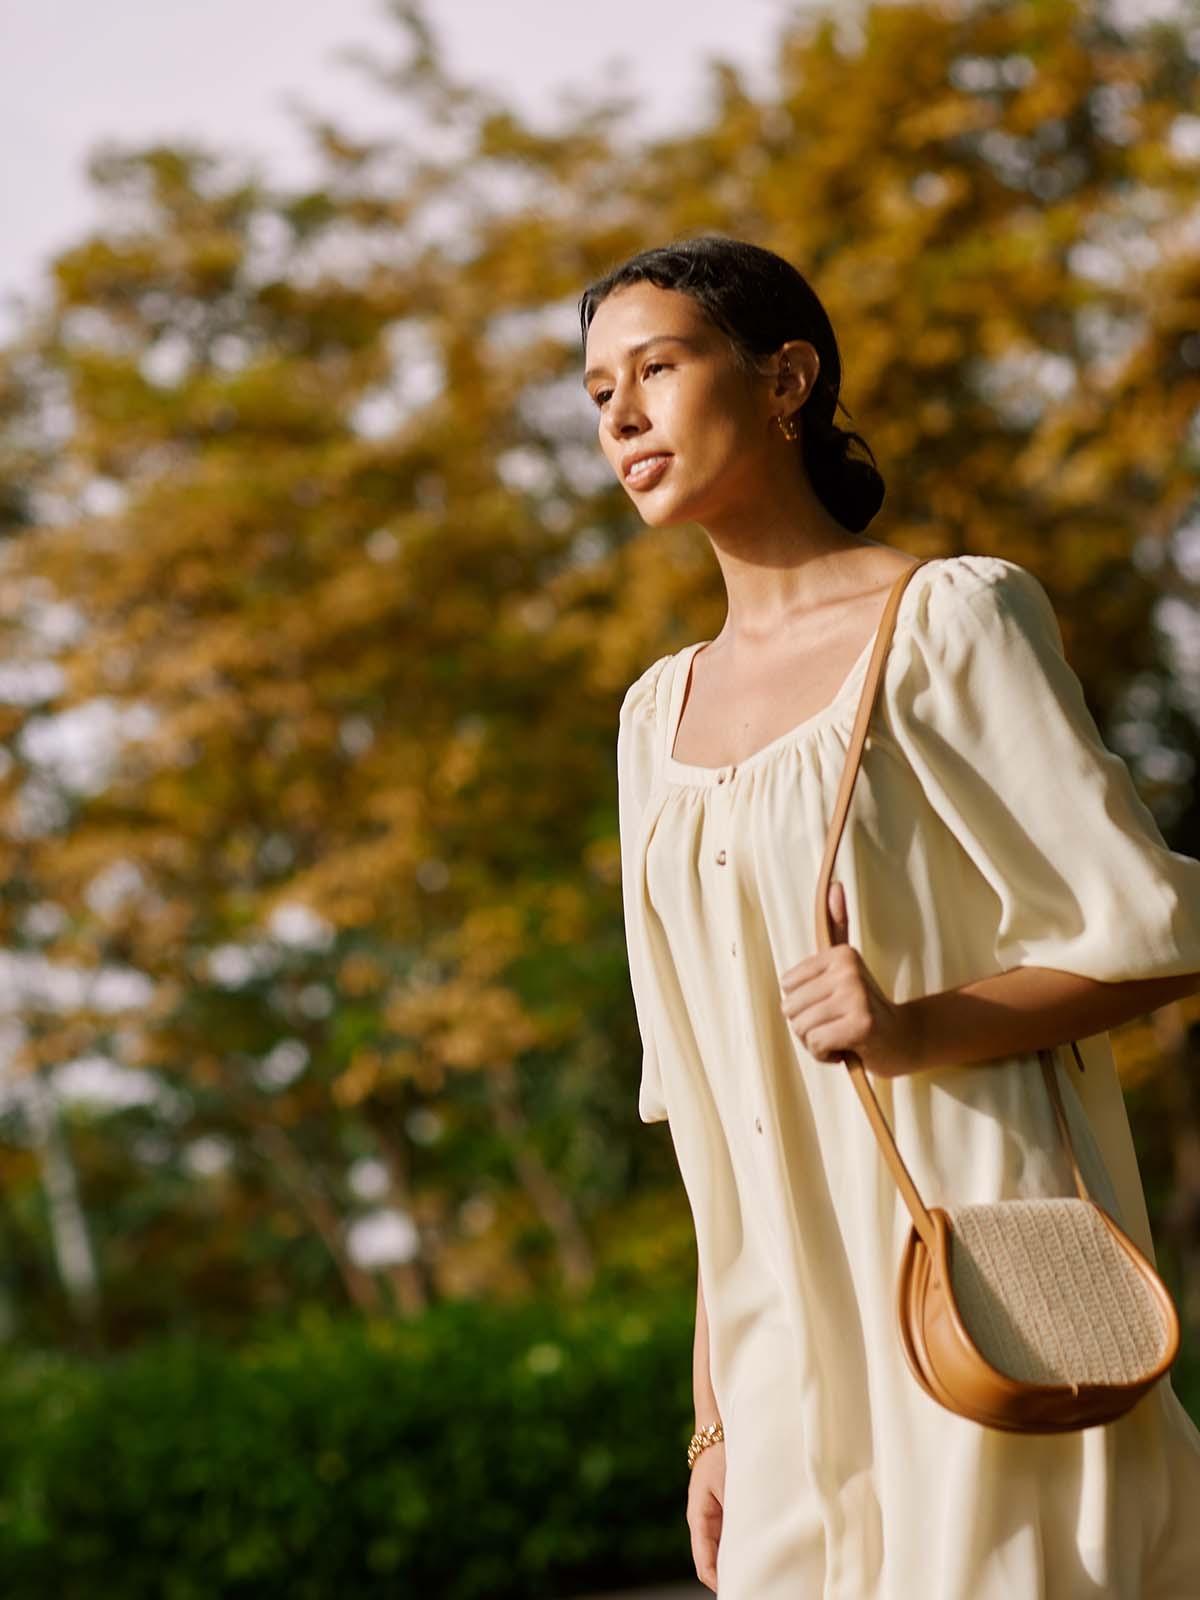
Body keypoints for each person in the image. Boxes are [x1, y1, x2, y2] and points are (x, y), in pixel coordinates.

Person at [579, 234, 1200, 1599]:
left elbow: (1156, 932)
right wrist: (717, 1416)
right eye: (596, 391)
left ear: (786, 377)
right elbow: (708, 1116)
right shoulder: (649, 722)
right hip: (781, 1347)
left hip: (983, 1280)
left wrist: (913, 1026)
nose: (619, 414)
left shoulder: (948, 620)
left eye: (658, 368)